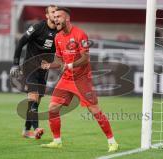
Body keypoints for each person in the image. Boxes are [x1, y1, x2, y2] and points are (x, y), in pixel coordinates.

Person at [40, 7, 119, 152]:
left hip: (82, 79)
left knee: (94, 110)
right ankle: (57, 141)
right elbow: (59, 61)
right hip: (66, 79)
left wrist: (69, 64)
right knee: (52, 108)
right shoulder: (57, 37)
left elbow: (85, 58)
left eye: (59, 16)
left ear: (67, 18)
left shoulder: (80, 34)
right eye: (54, 16)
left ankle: (112, 142)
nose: (55, 19)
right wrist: (49, 65)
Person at [10, 5, 58, 139]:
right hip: (30, 67)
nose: (56, 14)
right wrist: (15, 64)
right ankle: (37, 128)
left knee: (35, 102)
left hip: (43, 71)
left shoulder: (60, 32)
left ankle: (26, 131)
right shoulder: (38, 27)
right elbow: (21, 42)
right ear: (47, 15)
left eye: (57, 12)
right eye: (53, 12)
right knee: (33, 97)